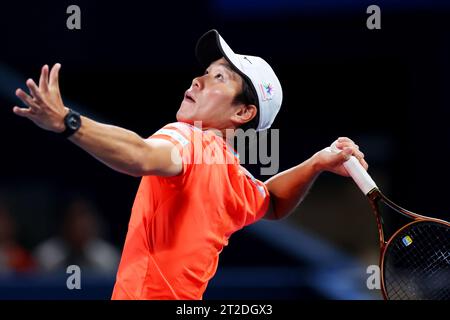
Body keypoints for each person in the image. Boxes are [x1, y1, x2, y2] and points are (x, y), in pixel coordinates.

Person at [12, 29, 368, 299]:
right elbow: (272, 202)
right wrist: (317, 163)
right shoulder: (232, 175)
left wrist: (67, 122)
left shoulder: (190, 138)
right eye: (206, 71)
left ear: (243, 112)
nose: (197, 79)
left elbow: (139, 155)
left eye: (219, 77)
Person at [34, 197, 120, 274]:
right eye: (73, 219)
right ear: (64, 223)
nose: (78, 225)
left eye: (83, 220)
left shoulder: (108, 257)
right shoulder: (46, 255)